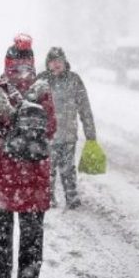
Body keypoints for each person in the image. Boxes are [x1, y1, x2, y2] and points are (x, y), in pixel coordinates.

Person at [0, 34, 56, 278]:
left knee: (1, 224)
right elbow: (51, 128)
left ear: (7, 63)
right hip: (35, 169)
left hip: (4, 166)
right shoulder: (42, 90)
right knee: (32, 227)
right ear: (32, 62)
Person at [38, 47, 96, 209]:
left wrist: (90, 133)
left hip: (68, 135)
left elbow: (85, 108)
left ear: (64, 62)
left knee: (68, 169)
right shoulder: (41, 81)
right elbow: (31, 106)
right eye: (52, 61)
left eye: (59, 61)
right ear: (48, 64)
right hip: (47, 135)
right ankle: (48, 198)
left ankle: (71, 197)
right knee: (47, 169)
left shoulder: (74, 80)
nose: (56, 64)